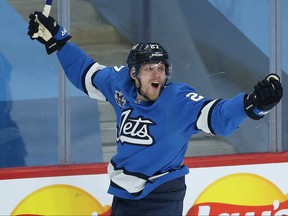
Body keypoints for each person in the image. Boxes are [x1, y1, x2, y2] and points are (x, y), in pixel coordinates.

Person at [27, 12, 283, 216]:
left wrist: (250, 105)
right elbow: (86, 73)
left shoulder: (179, 100)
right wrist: (58, 41)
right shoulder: (119, 84)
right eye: (148, 68)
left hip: (163, 192)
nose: (157, 74)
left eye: (160, 67)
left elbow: (217, 116)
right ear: (133, 73)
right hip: (124, 193)